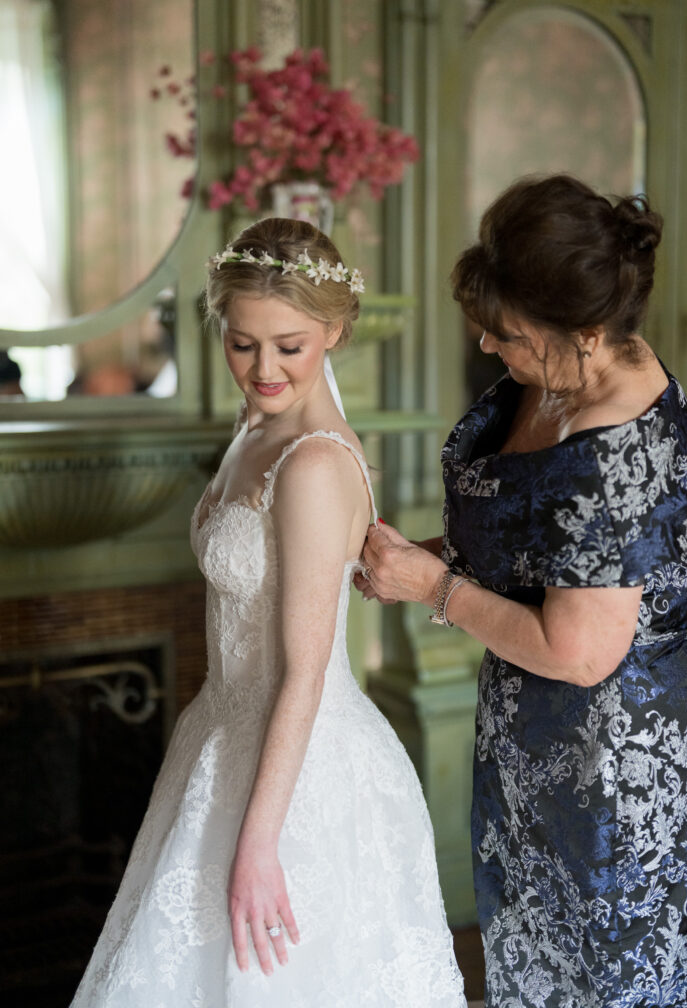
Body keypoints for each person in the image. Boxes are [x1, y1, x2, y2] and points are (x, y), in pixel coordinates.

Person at [357, 175, 687, 1006]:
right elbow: (543, 550)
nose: (492, 350)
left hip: (615, 767)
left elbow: (580, 649)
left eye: (509, 336)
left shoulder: (618, 458)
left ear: (588, 334)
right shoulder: (567, 367)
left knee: (613, 981)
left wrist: (433, 585)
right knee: (538, 968)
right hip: (539, 744)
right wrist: (414, 557)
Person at [70, 217, 466, 1007]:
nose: (264, 368)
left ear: (336, 329)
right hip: (223, 735)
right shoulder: (257, 426)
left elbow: (304, 674)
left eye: (289, 344)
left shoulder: (313, 462)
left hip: (299, 765)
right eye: (242, 343)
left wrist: (258, 845)